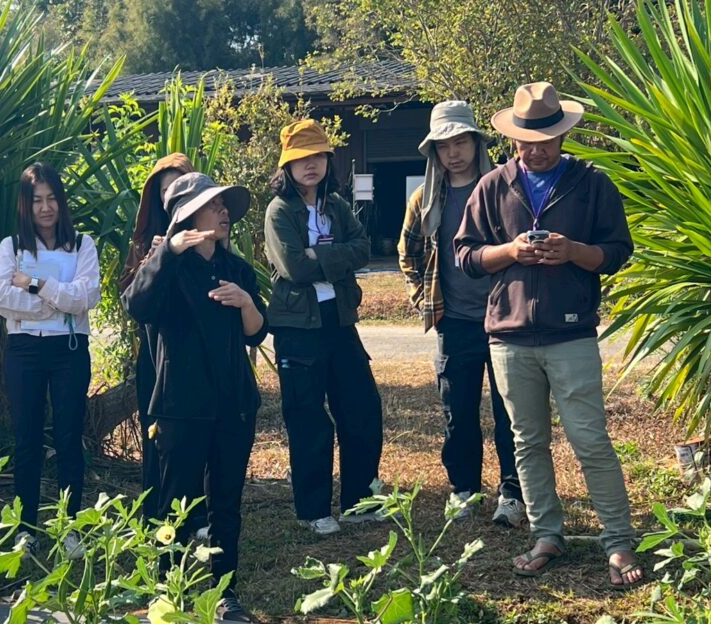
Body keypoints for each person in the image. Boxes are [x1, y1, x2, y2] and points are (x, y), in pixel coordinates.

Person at [455, 81, 644, 589]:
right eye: (525, 141)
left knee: (590, 439)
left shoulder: (592, 184)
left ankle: (618, 540)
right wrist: (509, 252)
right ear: (512, 138)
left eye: (544, 141)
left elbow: (618, 250)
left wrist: (574, 252)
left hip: (571, 332)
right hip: (509, 335)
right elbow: (465, 255)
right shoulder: (492, 186)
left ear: (563, 136)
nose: (534, 150)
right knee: (527, 441)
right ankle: (546, 536)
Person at [123, 172, 266, 623]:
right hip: (181, 406)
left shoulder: (236, 269)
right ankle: (169, 590)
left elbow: (256, 332)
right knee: (175, 503)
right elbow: (135, 305)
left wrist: (246, 303)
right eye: (213, 205)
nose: (223, 213)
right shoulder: (168, 269)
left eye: (224, 206)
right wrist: (167, 251)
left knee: (226, 502)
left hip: (234, 402)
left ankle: (226, 593)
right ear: (187, 216)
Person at [399, 101, 525, 526]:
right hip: (454, 320)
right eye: (443, 146)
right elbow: (408, 253)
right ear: (433, 151)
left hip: (506, 318)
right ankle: (465, 489)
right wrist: (423, 298)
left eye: (460, 143)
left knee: (512, 413)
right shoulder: (425, 198)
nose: (453, 153)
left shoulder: (505, 188)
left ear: (476, 143)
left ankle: (513, 493)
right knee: (458, 412)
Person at [264, 119, 382, 535]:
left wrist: (318, 255)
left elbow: (364, 249)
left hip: (339, 319)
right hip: (298, 326)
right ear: (287, 165)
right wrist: (333, 257)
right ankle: (314, 510)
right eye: (301, 158)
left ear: (329, 160)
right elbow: (293, 267)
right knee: (308, 418)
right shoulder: (279, 210)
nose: (310, 164)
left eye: (318, 156)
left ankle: (359, 502)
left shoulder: (336, 205)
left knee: (362, 408)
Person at [0, 163, 100, 550]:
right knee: (27, 439)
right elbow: (2, 299)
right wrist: (55, 302)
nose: (46, 207)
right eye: (37, 200)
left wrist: (35, 284)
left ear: (62, 201)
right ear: (26, 204)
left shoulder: (83, 245)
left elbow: (86, 297)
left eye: (52, 198)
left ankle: (70, 527)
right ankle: (26, 528)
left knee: (69, 438)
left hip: (69, 350)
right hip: (25, 350)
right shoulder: (11, 247)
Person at [119, 153, 195, 517]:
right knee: (157, 434)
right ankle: (155, 512)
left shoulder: (208, 233)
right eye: (165, 190)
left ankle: (196, 512)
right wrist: (154, 261)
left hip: (196, 351)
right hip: (155, 353)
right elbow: (131, 298)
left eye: (181, 187)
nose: (172, 197)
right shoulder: (145, 241)